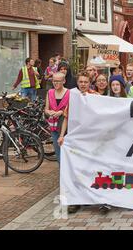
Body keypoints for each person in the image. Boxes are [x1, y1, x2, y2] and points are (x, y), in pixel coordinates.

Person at [58, 71, 98, 214]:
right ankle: (75, 200)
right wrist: (62, 135)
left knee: (90, 169)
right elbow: (66, 118)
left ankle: (89, 197)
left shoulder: (96, 97)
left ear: (89, 83)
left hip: (91, 140)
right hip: (76, 139)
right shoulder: (72, 96)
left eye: (85, 82)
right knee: (76, 170)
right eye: (80, 82)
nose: (83, 84)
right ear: (77, 82)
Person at [44, 72, 69, 163]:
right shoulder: (50, 92)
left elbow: (72, 110)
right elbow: (46, 109)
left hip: (66, 127)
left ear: (64, 81)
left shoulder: (69, 93)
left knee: (67, 152)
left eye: (58, 81)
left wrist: (61, 112)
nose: (55, 83)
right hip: (54, 127)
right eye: (54, 81)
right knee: (58, 152)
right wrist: (49, 112)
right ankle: (62, 174)